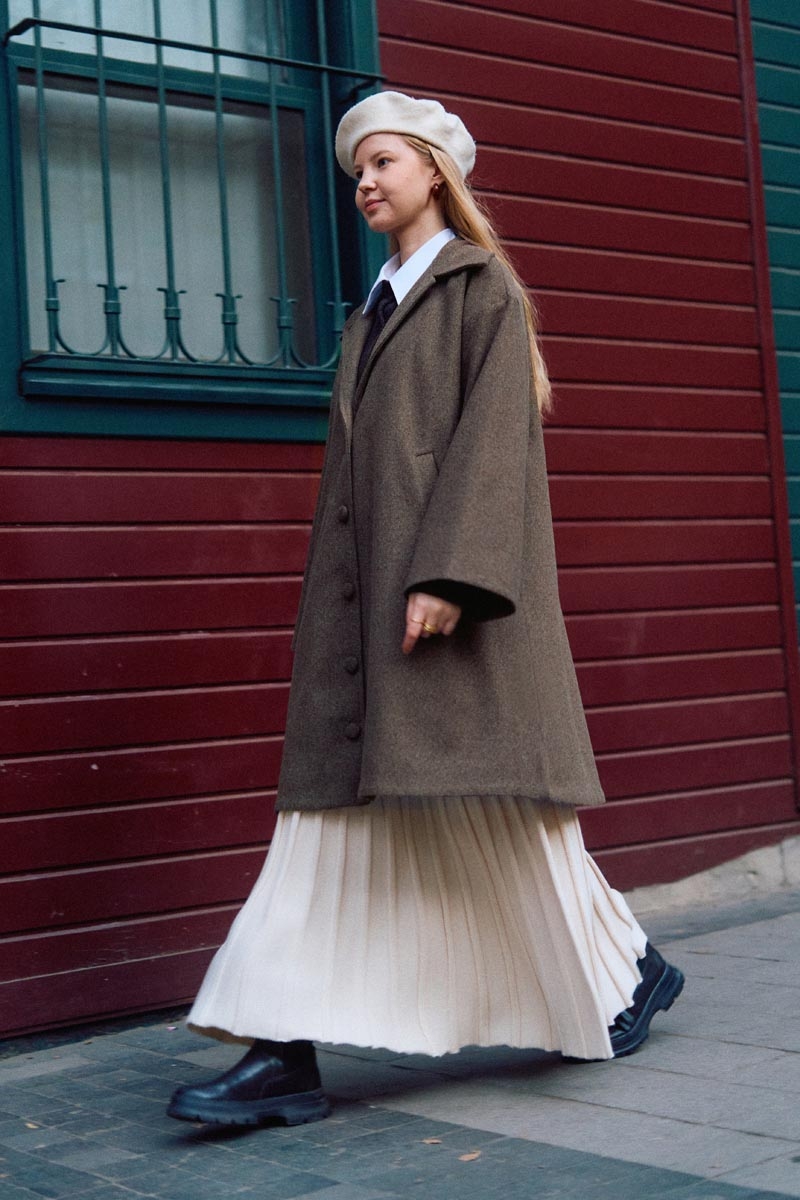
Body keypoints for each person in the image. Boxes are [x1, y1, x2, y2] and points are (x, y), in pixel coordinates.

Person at [167, 90, 684, 1129]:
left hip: (445, 601)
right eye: (357, 168)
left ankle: (621, 972)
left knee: (498, 811)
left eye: (384, 162)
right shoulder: (373, 309)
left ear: (434, 173)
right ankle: (622, 971)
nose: (364, 182)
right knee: (374, 816)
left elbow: (496, 443)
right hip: (365, 614)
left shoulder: (478, 288)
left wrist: (449, 577)